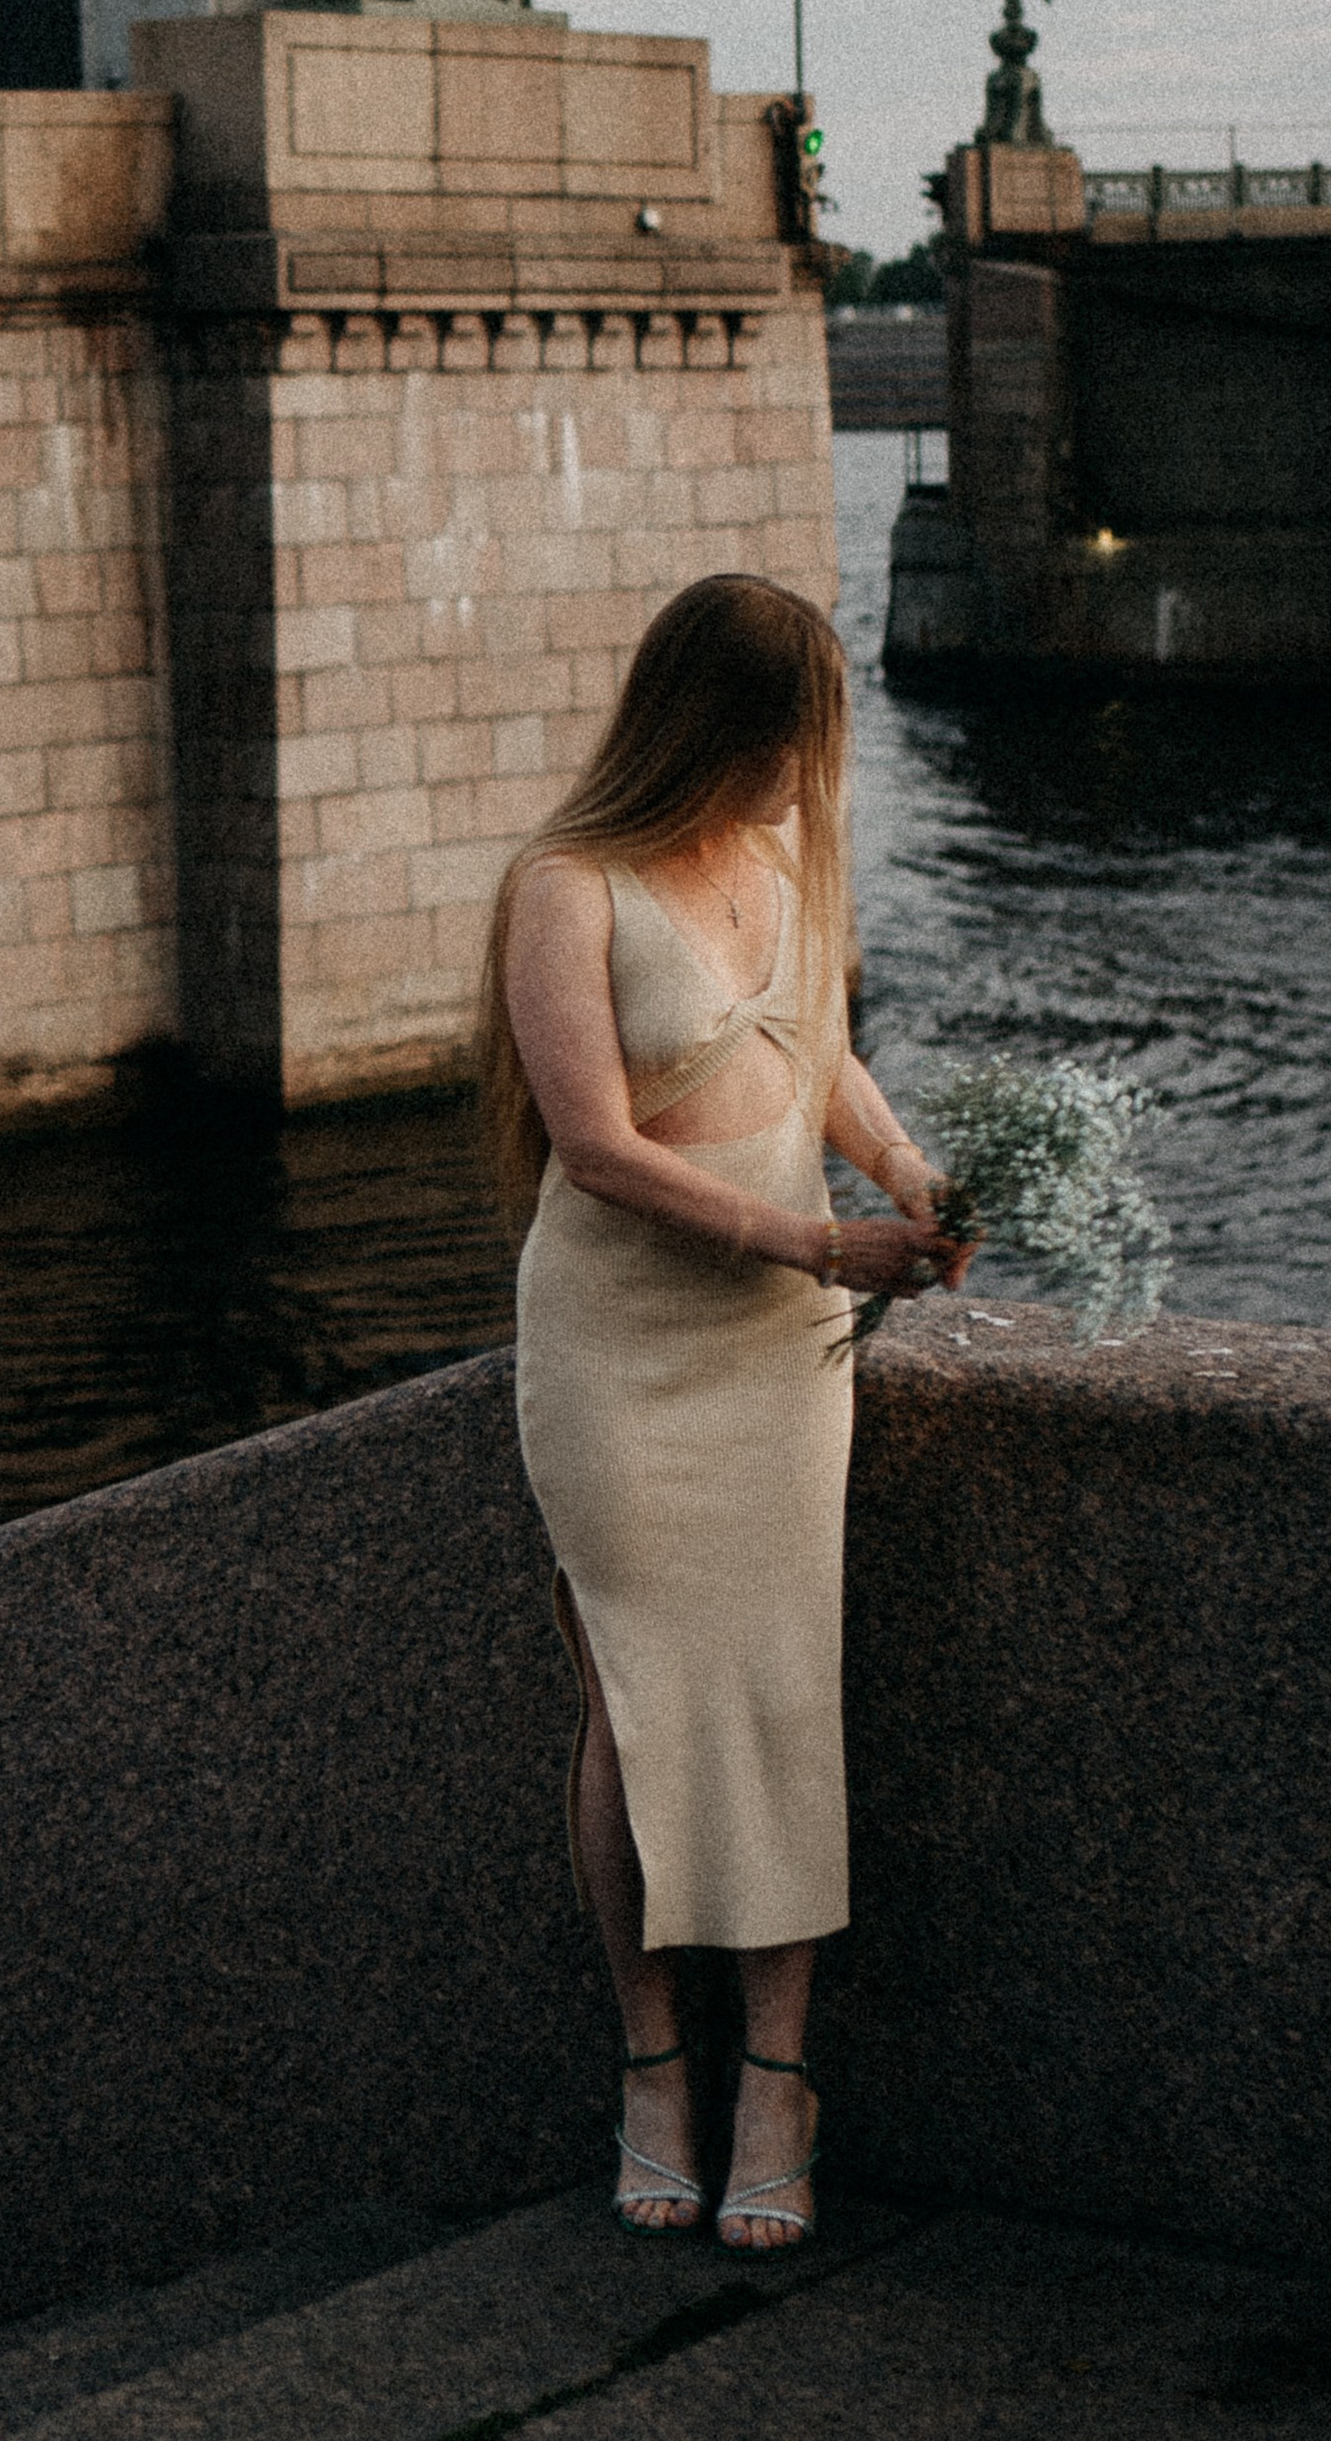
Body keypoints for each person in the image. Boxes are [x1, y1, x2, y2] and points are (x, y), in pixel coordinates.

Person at [478, 572, 964, 2250]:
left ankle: (777, 2083)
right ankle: (651, 2068)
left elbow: (818, 1054)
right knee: (636, 1703)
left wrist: (911, 1175)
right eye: (790, 747)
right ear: (710, 733)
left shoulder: (782, 858)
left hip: (780, 1360)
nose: (810, 780)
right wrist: (823, 1242)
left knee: (777, 1698)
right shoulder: (568, 886)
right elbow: (597, 1150)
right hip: (624, 1354)